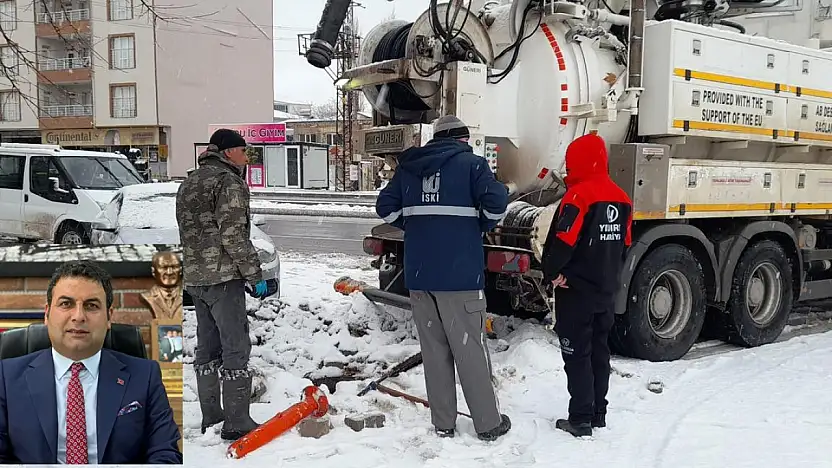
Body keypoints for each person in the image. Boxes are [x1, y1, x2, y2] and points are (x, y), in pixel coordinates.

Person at [376, 115, 512, 441]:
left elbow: (385, 206)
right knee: (470, 350)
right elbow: (497, 203)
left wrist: (417, 226)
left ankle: (444, 424)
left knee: (435, 352)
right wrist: (477, 226)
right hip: (460, 276)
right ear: (463, 140)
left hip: (421, 275)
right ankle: (487, 423)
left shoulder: (410, 166)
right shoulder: (472, 165)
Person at [0, 260, 182, 464]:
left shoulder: (145, 376)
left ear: (109, 317)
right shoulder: (6, 378)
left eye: (91, 306)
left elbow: (165, 454)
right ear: (47, 313)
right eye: (66, 304)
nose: (78, 316)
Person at [175, 128, 278, 441]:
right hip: (223, 279)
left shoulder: (190, 181)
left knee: (207, 347)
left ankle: (212, 416)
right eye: (243, 151)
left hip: (195, 279)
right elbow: (233, 235)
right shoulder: (228, 182)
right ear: (229, 152)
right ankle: (236, 421)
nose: (247, 158)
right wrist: (255, 276)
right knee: (236, 347)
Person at [540, 133, 633, 438]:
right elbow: (625, 245)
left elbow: (563, 241)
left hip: (575, 291)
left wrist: (551, 272)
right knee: (599, 351)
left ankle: (579, 418)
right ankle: (597, 413)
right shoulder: (622, 197)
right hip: (605, 290)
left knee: (576, 353)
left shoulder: (579, 196)